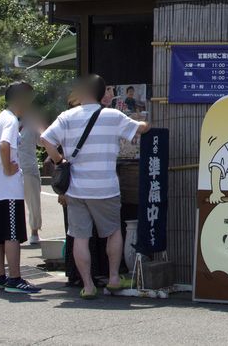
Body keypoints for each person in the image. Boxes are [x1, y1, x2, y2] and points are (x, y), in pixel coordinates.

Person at [41, 74, 149, 298]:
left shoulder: (66, 116)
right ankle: (113, 278)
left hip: (76, 190)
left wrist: (60, 160)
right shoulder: (112, 116)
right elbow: (139, 129)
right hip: (105, 188)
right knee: (113, 233)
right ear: (101, 94)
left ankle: (88, 285)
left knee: (80, 237)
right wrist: (147, 122)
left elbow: (46, 139)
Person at [0, 81, 40, 294]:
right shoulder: (11, 121)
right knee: (12, 234)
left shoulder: (0, 118)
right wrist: (8, 168)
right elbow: (5, 145)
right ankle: (14, 278)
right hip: (8, 189)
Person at [18, 110, 44, 245]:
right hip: (11, 169)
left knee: (34, 202)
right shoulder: (5, 121)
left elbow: (42, 142)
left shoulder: (31, 122)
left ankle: (34, 232)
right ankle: (14, 235)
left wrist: (40, 127)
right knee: (12, 204)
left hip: (28, 168)